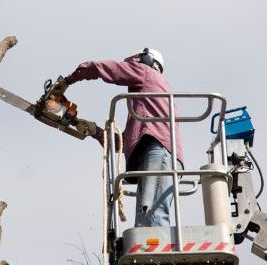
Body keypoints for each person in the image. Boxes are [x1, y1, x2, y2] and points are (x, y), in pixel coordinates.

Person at [61, 48, 184, 227]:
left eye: (134, 61)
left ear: (149, 61)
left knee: (152, 216)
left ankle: (153, 252)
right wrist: (94, 131)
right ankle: (147, 252)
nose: (130, 66)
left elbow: (108, 69)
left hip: (159, 152)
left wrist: (68, 80)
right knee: (145, 220)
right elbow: (123, 144)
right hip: (156, 154)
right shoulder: (146, 105)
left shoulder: (146, 73)